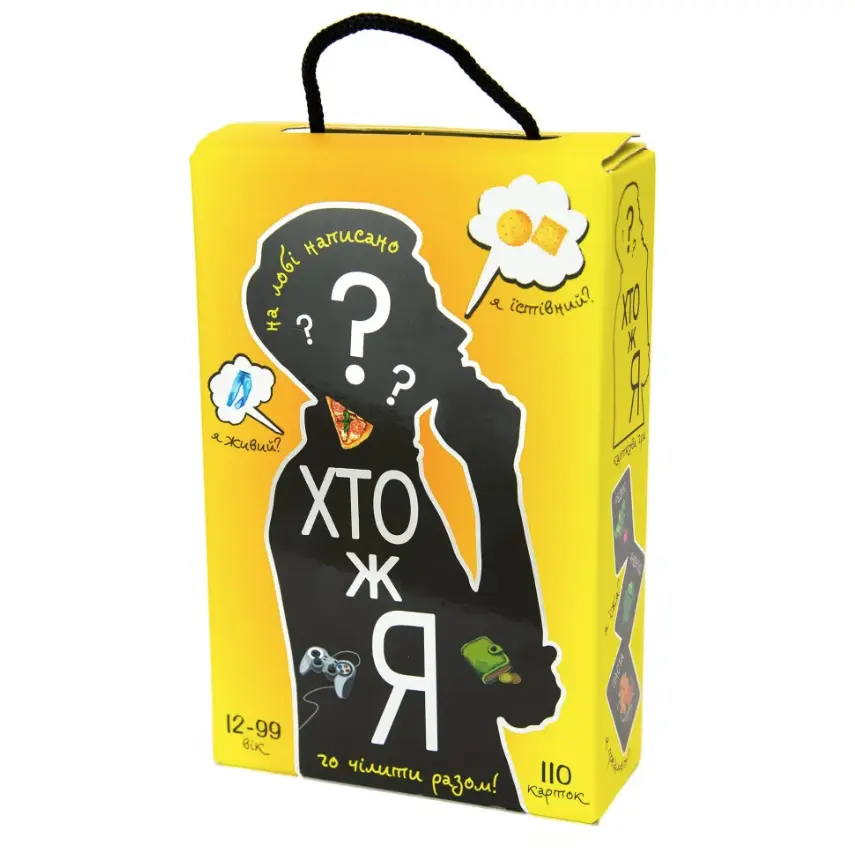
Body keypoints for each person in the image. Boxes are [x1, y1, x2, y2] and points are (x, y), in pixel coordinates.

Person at [244, 204, 561, 810]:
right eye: (422, 309)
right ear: (342, 342)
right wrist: (493, 474)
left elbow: (504, 674)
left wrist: (488, 468)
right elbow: (516, 691)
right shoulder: (340, 490)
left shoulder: (380, 477)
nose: (454, 331)